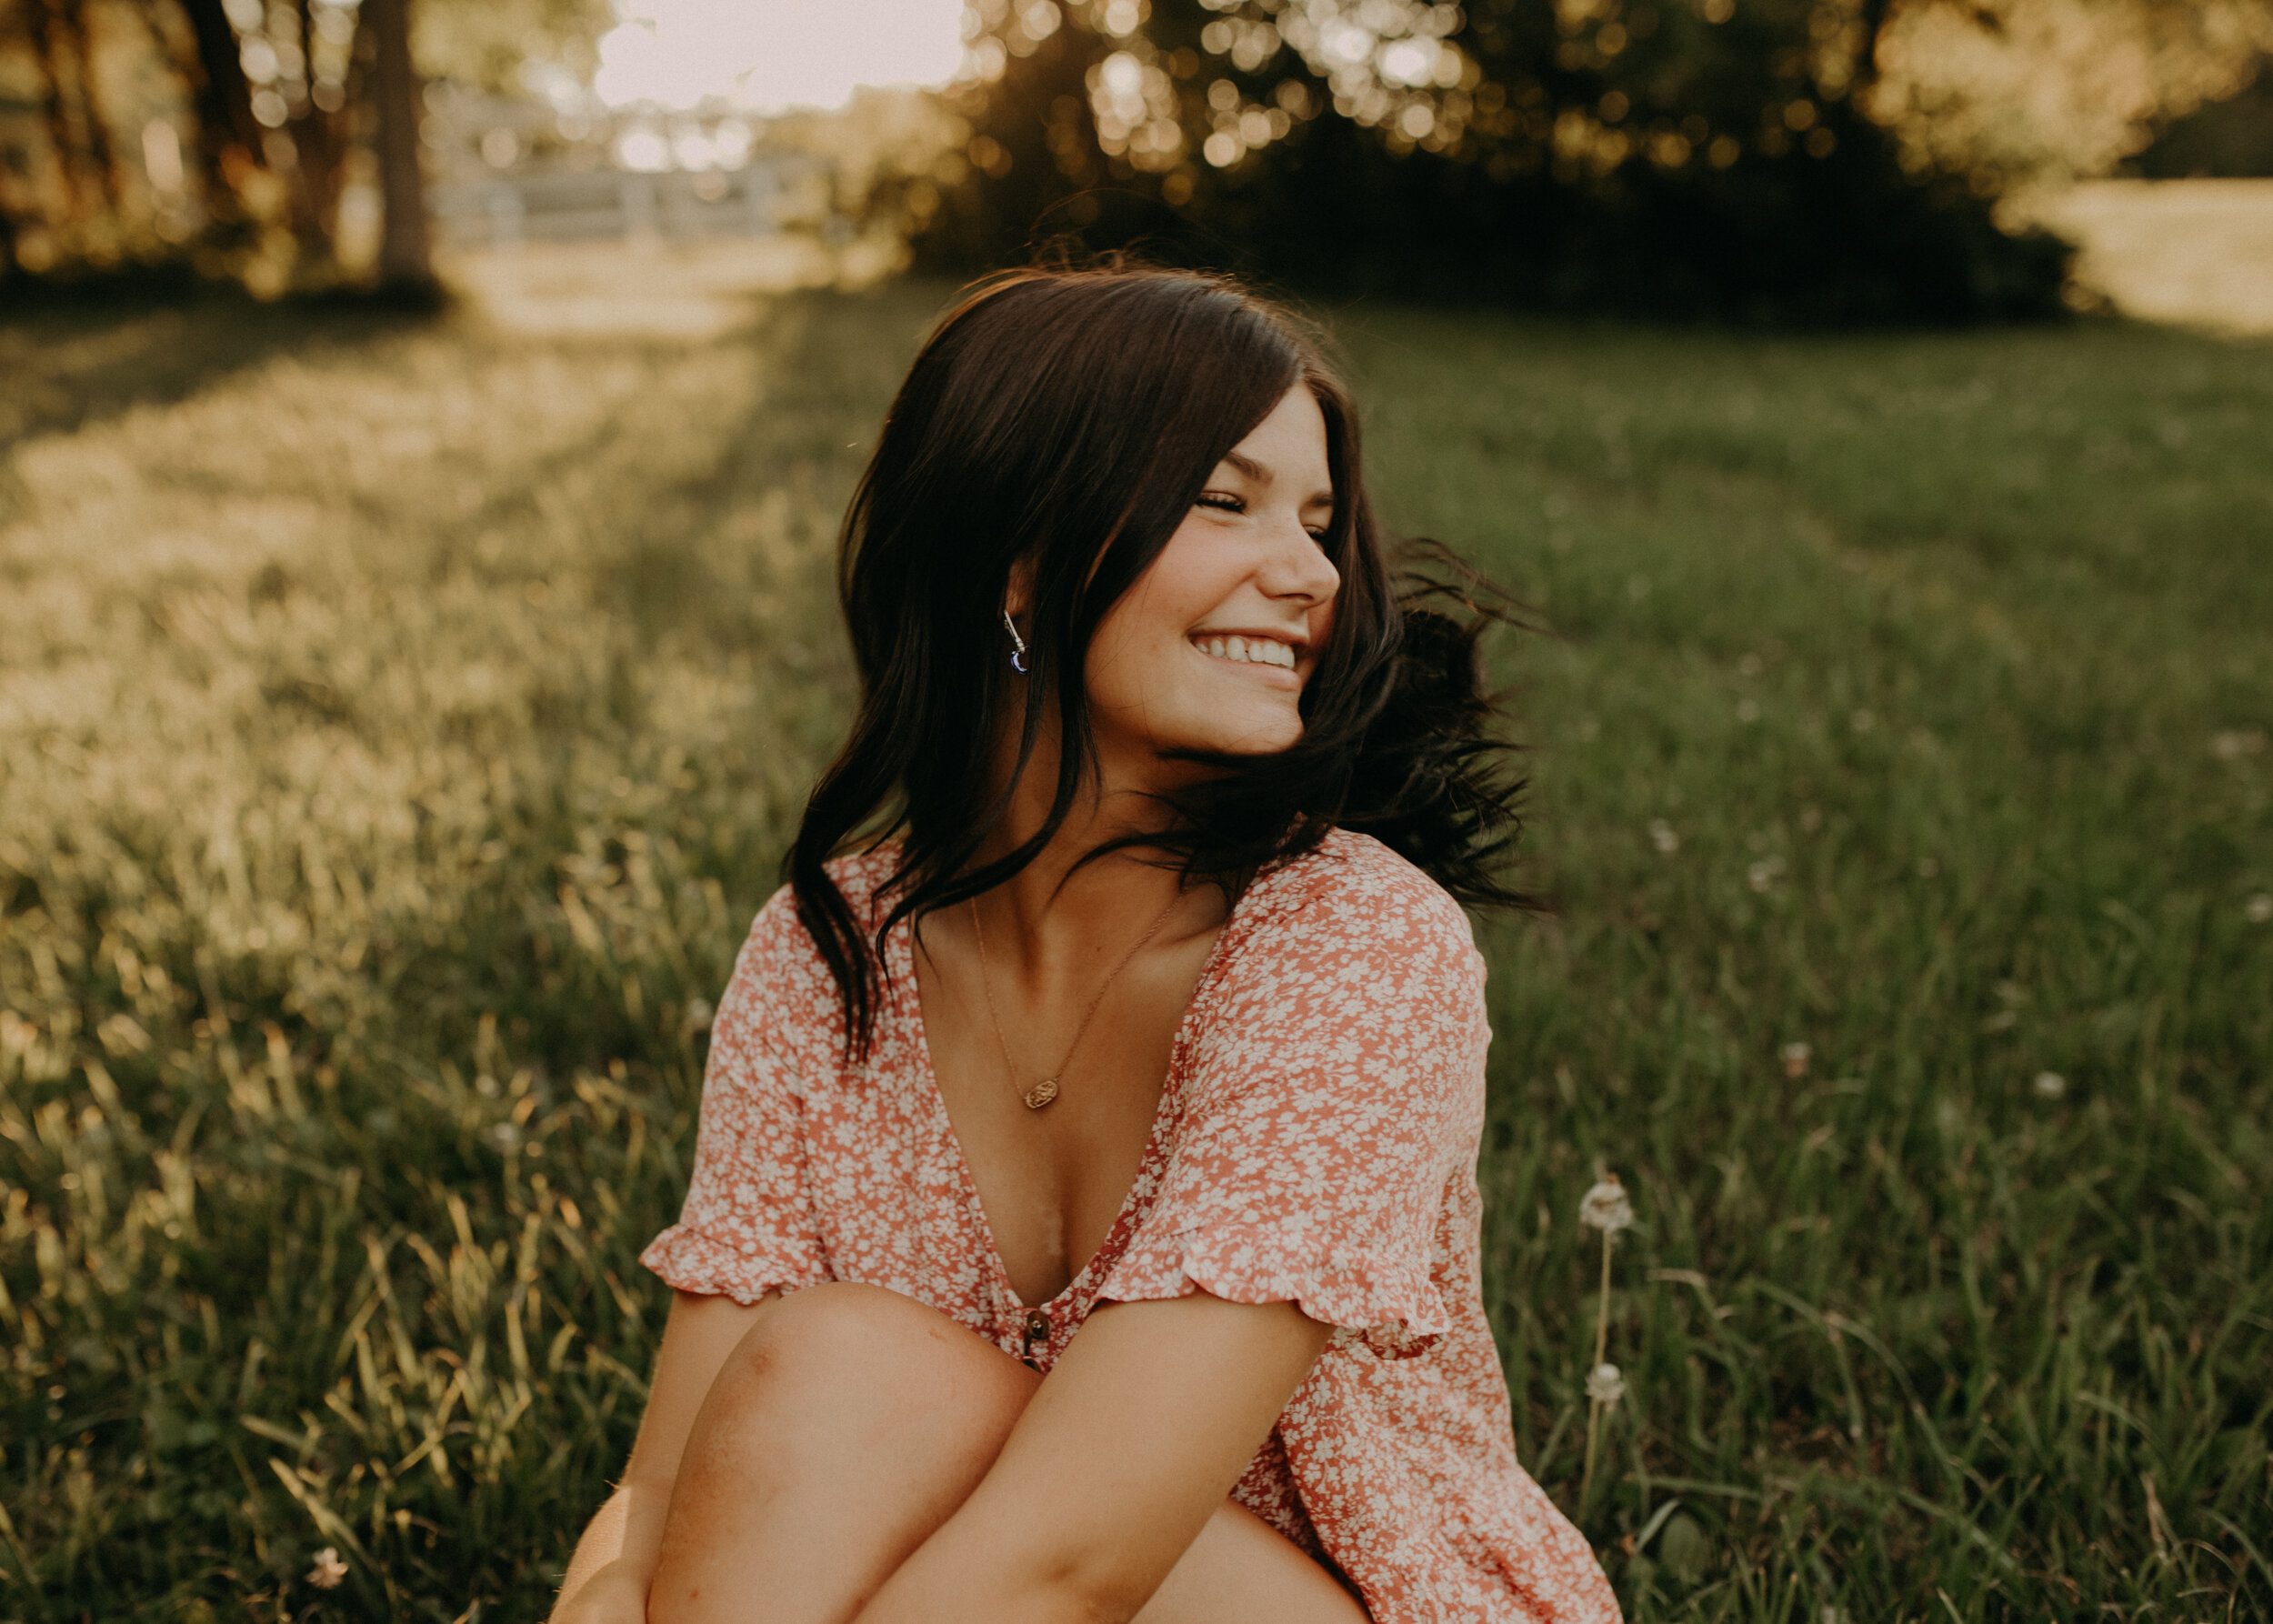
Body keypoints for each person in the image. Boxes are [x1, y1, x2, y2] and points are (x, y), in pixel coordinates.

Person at [548, 266, 1619, 1624]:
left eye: (1320, 521)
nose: (1306, 574)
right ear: (1016, 547)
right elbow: (663, 1482)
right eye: (1223, 500)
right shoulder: (833, 949)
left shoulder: (1353, 944)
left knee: (849, 1374)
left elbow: (1063, 1565)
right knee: (830, 1387)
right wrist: (605, 1592)